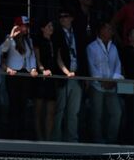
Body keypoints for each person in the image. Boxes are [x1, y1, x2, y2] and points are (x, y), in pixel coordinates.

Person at [86, 23, 123, 144]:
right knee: (97, 115)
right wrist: (102, 81)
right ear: (101, 30)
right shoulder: (91, 47)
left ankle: (111, 140)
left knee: (116, 113)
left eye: (111, 29)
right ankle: (97, 140)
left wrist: (113, 80)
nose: (111, 31)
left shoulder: (114, 47)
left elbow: (118, 66)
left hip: (112, 86)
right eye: (108, 28)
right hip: (97, 86)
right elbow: (92, 67)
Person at [52, 10, 83, 142]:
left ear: (71, 18)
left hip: (76, 76)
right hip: (63, 77)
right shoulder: (57, 34)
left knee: (74, 111)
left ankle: (72, 138)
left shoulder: (77, 33)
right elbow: (58, 57)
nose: (62, 19)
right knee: (60, 110)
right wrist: (65, 72)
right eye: (61, 17)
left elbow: (82, 54)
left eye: (65, 16)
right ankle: (56, 138)